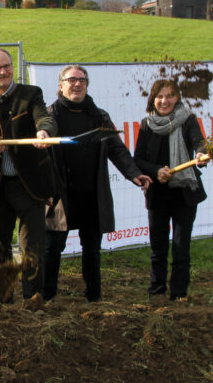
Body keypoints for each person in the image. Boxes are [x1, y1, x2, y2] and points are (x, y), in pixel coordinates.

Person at [41, 65, 152, 303]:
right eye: (72, 80)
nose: (77, 84)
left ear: (87, 85)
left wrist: (134, 174)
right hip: (60, 196)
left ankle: (94, 297)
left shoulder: (99, 116)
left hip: (92, 195)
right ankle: (46, 297)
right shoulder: (49, 116)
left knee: (92, 250)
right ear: (61, 86)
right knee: (52, 249)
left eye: (82, 80)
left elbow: (116, 149)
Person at [0, 49, 56, 300]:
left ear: (12, 68)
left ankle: (33, 298)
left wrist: (43, 133)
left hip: (29, 185)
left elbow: (44, 119)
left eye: (6, 66)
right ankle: (4, 297)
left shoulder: (31, 94)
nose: (3, 71)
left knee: (32, 245)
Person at [133, 79, 209, 301]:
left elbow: (200, 143)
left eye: (169, 96)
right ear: (153, 99)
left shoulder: (187, 120)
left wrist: (201, 155)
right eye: (160, 96)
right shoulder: (147, 124)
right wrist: (157, 171)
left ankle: (179, 294)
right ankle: (156, 292)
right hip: (158, 193)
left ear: (177, 98)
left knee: (180, 246)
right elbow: (139, 159)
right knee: (158, 248)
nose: (164, 100)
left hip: (184, 193)